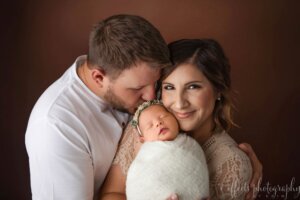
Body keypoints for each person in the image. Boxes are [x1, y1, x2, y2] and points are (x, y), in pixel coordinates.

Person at [25, 14, 171, 200]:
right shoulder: (56, 126)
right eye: (138, 88)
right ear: (99, 78)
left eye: (155, 83)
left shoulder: (128, 79)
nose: (151, 96)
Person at [100, 39, 261, 200]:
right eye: (169, 87)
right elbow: (112, 194)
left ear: (218, 90)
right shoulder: (146, 128)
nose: (179, 103)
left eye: (193, 87)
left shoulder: (230, 166)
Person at [126, 100, 209, 200]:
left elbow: (197, 172)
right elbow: (137, 185)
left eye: (163, 116)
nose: (158, 123)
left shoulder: (191, 145)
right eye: (150, 125)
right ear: (143, 139)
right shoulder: (144, 159)